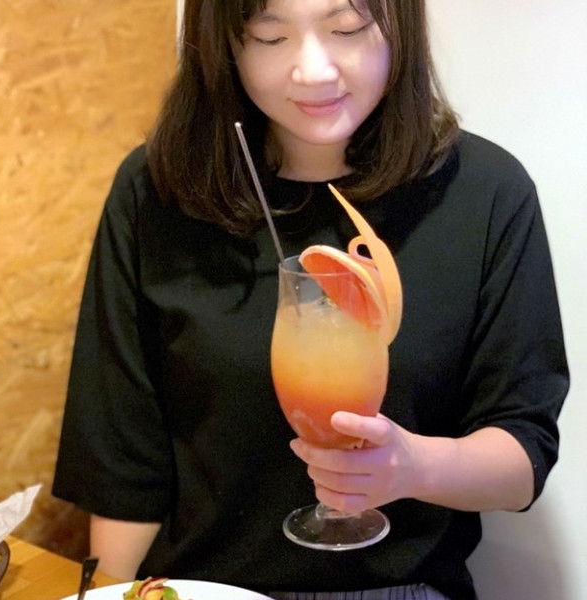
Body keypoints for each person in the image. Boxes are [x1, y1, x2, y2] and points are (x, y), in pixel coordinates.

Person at [52, 1, 569, 599]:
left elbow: (522, 455)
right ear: (224, 45)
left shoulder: (484, 191)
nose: (314, 71)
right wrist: (113, 593)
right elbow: (123, 465)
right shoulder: (157, 191)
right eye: (268, 37)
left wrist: (411, 466)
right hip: (199, 587)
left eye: (347, 29)